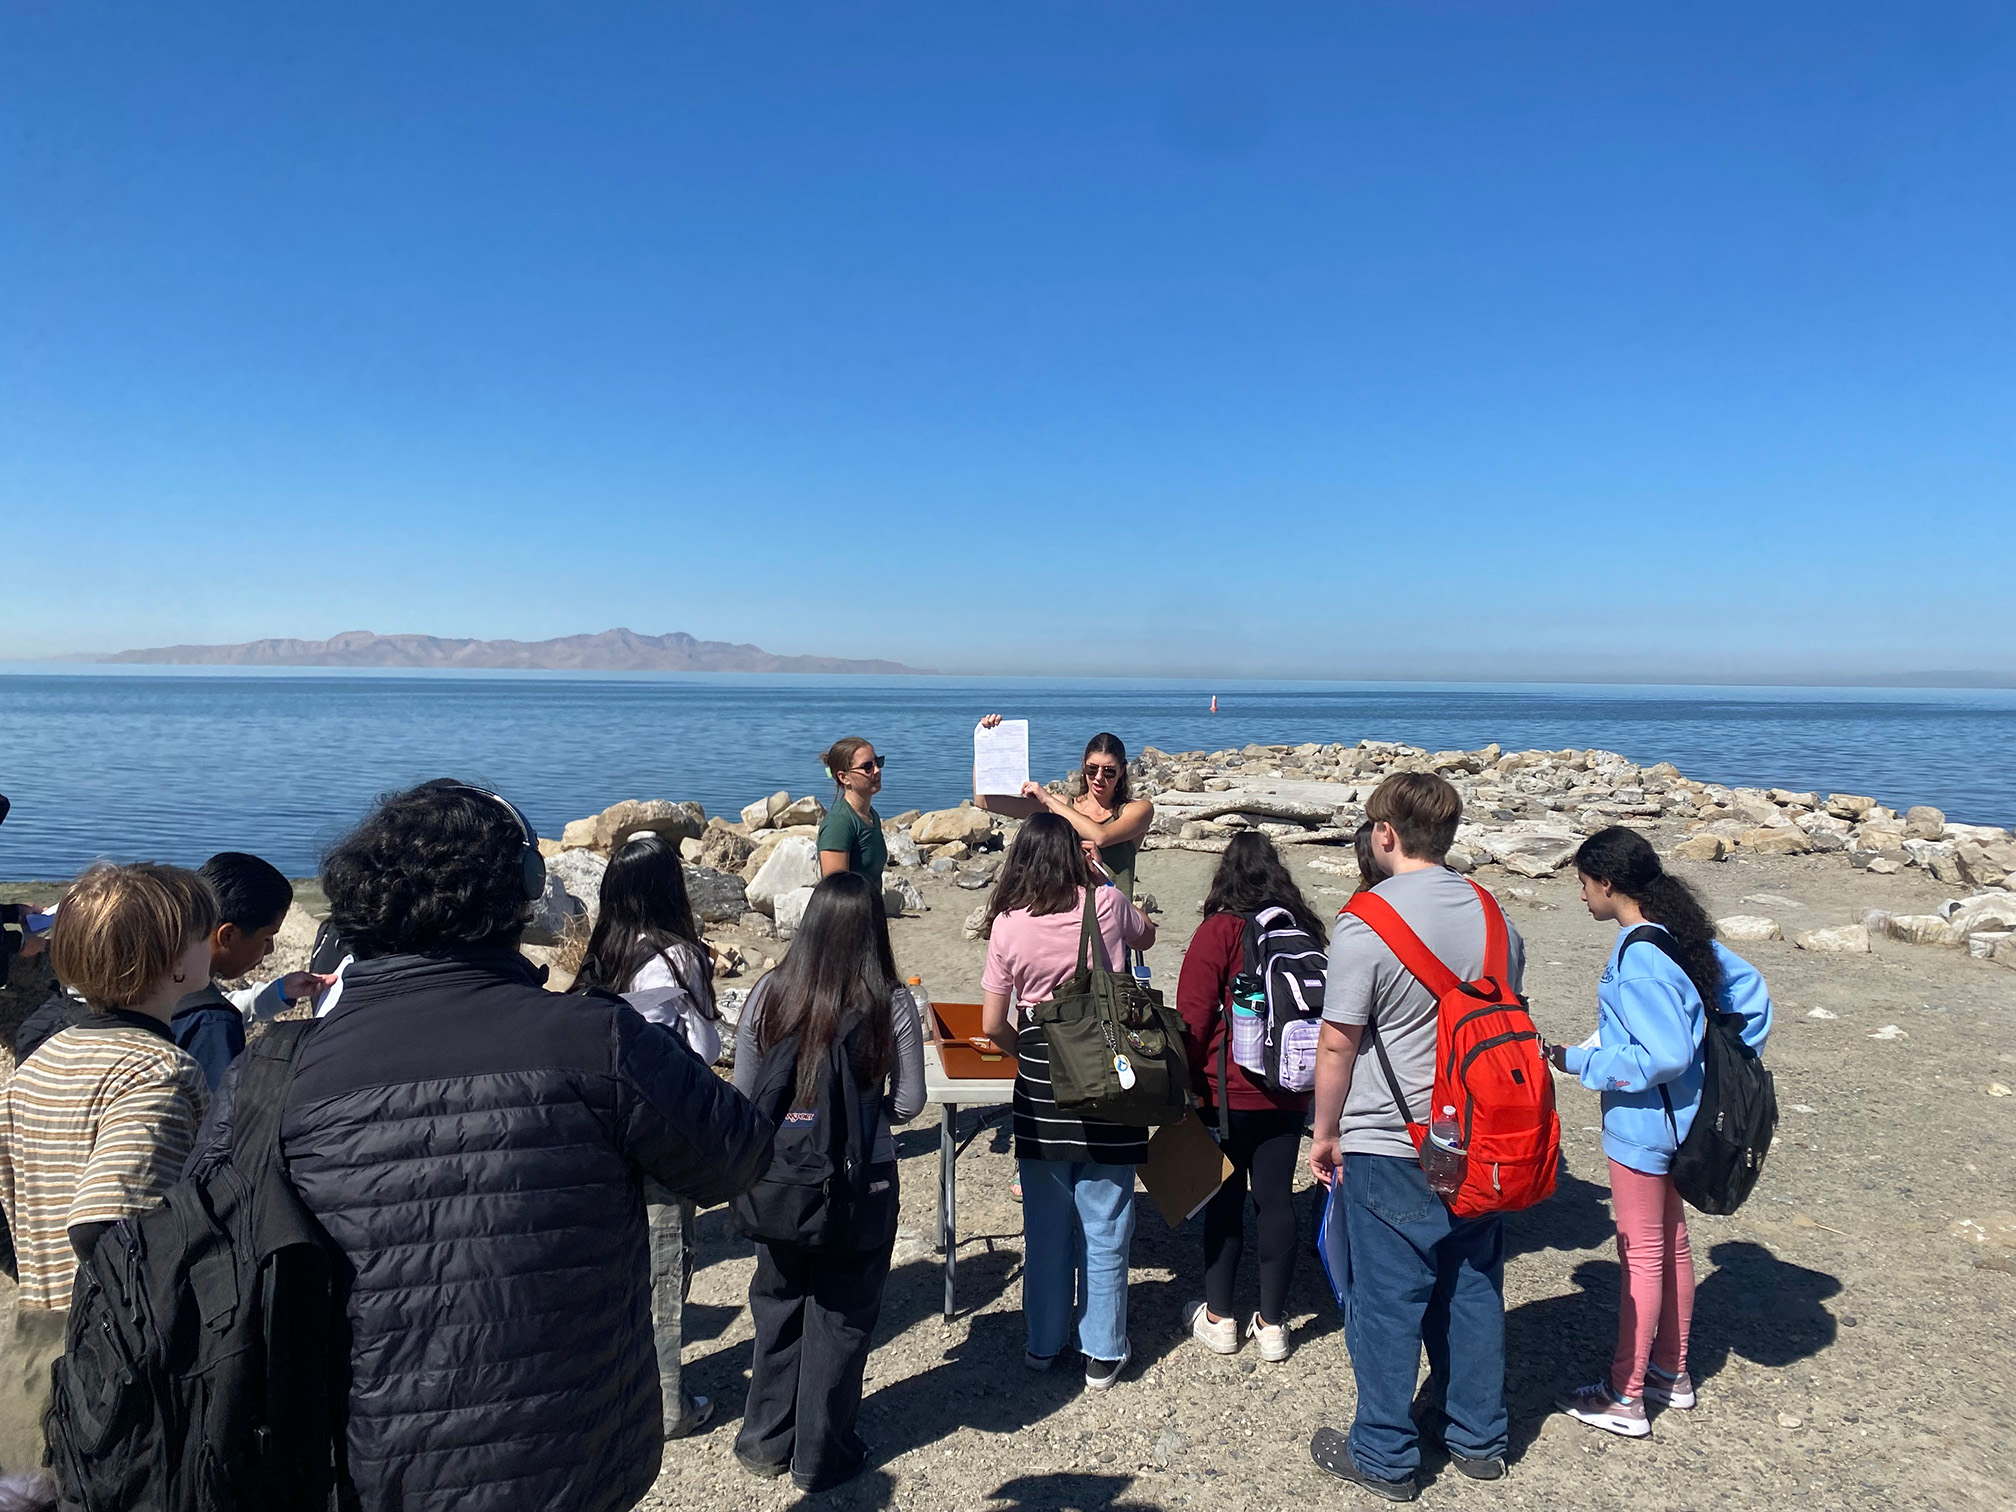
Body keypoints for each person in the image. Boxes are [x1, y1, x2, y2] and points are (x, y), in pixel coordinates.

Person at [184, 780, 774, 1512]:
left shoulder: (268, 1074)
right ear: (521, 897)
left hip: (353, 1467)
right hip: (573, 1460)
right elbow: (739, 1153)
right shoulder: (598, 1040)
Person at [1306, 773, 1525, 1498]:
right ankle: (1477, 1435)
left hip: (1391, 1138)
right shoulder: (1496, 919)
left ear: (1385, 834)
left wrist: (1324, 1131)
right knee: (1470, 1284)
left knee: (1386, 1298)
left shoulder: (1367, 921)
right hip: (1481, 1140)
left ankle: (1384, 1451)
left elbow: (1339, 1042)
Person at [1551, 826, 1774, 1437]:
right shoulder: (1679, 936)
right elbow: (1750, 992)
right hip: (1684, 1121)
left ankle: (1624, 1398)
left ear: (1608, 884)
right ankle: (1670, 1375)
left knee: (1641, 1258)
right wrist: (1724, 1058)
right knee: (1672, 1249)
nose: (1581, 897)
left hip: (1647, 1128)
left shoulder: (1639, 956)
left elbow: (1663, 1054)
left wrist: (1581, 1062)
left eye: (1582, 884)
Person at [0, 864, 215, 1475]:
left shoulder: (43, 1061)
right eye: (202, 934)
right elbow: (109, 1223)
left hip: (34, 1335)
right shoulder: (156, 1071)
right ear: (176, 962)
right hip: (109, 1363)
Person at [730, 871, 924, 1493]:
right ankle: (821, 1455)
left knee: (778, 1301)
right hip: (860, 1181)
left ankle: (764, 1440)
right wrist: (867, 1118)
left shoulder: (769, 994)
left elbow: (744, 1094)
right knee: (842, 1315)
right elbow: (912, 1102)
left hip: (782, 1179)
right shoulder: (890, 1002)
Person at [978, 813, 1156, 1389]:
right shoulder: (1103, 904)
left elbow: (992, 1023)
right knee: (1105, 1218)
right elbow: (1148, 935)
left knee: (1045, 1223)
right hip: (1108, 1074)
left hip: (1040, 1081)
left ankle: (1043, 1341)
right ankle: (1102, 1350)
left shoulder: (1006, 925)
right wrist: (1102, 874)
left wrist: (1021, 1054)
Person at [570, 834, 724, 1438]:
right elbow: (707, 1048)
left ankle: (611, 1387)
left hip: (598, 1131)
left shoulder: (603, 949)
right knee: (666, 1266)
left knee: (616, 1266)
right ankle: (667, 1407)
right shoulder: (678, 957)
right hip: (658, 1132)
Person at [1174, 831, 1325, 1363]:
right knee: (1277, 1200)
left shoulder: (1219, 931)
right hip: (1289, 1088)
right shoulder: (1302, 931)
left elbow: (1191, 1016)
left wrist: (1187, 1082)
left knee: (1225, 1198)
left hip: (1226, 1092)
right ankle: (1274, 1324)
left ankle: (1219, 1318)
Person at [169, 851, 331, 1090]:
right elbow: (221, 1117)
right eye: (267, 938)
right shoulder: (215, 1025)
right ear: (228, 935)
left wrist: (277, 993)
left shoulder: (153, 976)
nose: (270, 949)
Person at [974, 715, 1154, 900]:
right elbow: (985, 801)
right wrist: (985, 743)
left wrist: (1049, 800)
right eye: (1092, 769)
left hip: (1111, 915)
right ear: (1083, 766)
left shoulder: (1138, 810)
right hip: (1067, 915)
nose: (1099, 778)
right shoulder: (1064, 805)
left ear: (1122, 771)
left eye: (1108, 771)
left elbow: (1101, 836)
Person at [816, 737, 889, 898]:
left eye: (877, 762)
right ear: (844, 777)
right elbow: (835, 890)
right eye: (867, 767)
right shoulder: (839, 823)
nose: (877, 770)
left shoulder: (871, 815)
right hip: (849, 918)